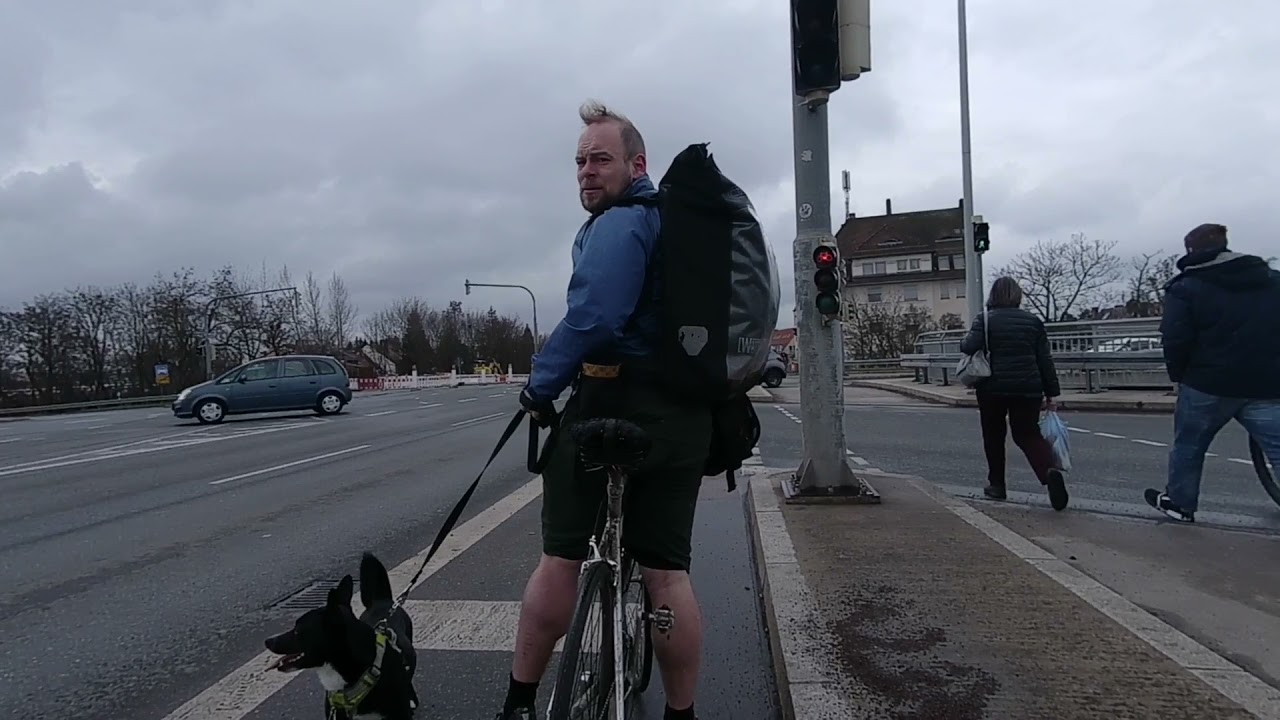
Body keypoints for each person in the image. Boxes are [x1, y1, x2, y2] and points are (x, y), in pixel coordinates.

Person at [497, 101, 712, 720]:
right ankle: (681, 713)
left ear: (636, 164)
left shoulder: (622, 224)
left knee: (561, 558)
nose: (587, 171)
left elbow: (594, 319)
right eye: (580, 161)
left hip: (613, 409)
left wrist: (539, 389)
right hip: (681, 419)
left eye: (601, 159)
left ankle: (519, 702)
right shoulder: (675, 224)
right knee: (668, 575)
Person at [1144, 223, 1280, 523]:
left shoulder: (1185, 286)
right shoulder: (1272, 280)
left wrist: (1178, 375)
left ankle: (1180, 504)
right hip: (1267, 381)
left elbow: (1176, 336)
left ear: (1191, 250)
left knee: (1189, 445)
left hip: (1208, 382)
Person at [960, 276, 1070, 511]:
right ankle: (1048, 471)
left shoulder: (986, 320)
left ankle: (997, 486)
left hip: (992, 389)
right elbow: (1044, 359)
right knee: (1028, 434)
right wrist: (1052, 394)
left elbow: (969, 347)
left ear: (994, 295)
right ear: (1017, 296)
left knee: (994, 436)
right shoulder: (1033, 322)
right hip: (1029, 387)